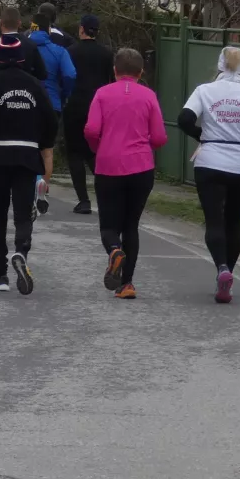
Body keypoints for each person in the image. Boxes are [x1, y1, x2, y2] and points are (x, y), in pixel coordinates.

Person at [0, 33, 58, 295]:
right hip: (27, 155)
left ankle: (1, 273)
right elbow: (51, 119)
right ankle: (21, 251)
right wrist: (43, 143)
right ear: (22, 58)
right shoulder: (35, 84)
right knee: (23, 211)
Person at [179, 45, 240, 304]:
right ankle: (228, 276)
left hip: (210, 161)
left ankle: (221, 267)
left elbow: (184, 119)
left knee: (214, 220)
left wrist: (203, 136)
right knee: (234, 220)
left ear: (220, 65)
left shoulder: (204, 91)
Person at [84, 47, 168, 300]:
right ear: (141, 72)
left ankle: (113, 250)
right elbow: (160, 137)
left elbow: (91, 129)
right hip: (141, 167)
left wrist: (99, 148)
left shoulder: (102, 93)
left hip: (109, 165)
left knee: (109, 225)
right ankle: (127, 284)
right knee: (131, 225)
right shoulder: (149, 96)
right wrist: (143, 148)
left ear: (115, 70)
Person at [64, 14, 114, 215]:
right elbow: (111, 80)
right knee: (95, 153)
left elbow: (66, 76)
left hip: (75, 105)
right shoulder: (107, 54)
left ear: (81, 29)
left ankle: (83, 200)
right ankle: (106, 197)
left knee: (74, 153)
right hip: (99, 107)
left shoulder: (70, 52)